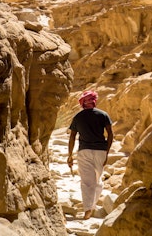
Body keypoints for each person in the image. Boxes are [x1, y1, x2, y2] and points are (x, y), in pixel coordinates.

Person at [67, 90, 113, 220]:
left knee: (87, 182)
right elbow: (110, 134)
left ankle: (88, 209)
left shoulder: (78, 116)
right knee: (97, 180)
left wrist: (70, 155)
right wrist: (107, 152)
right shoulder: (103, 115)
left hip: (84, 151)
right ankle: (91, 207)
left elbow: (72, 136)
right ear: (94, 101)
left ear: (83, 102)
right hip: (100, 151)